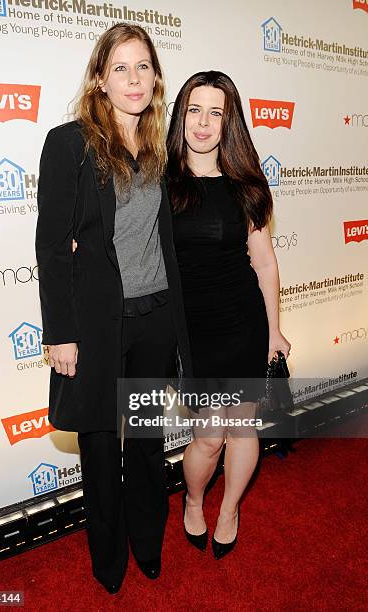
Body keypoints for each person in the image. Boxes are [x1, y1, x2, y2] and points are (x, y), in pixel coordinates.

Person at [35, 23, 191, 594]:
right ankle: (109, 560)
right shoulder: (69, 144)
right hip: (97, 327)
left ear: (155, 76)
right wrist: (61, 334)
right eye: (120, 68)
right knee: (101, 451)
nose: (133, 78)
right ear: (101, 79)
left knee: (148, 443)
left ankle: (148, 543)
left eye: (143, 67)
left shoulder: (160, 150)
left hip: (153, 318)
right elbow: (52, 246)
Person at [166, 71, 291, 559]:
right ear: (181, 115)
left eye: (215, 112)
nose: (203, 122)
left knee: (243, 430)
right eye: (194, 109)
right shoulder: (161, 182)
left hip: (242, 323)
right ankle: (194, 499)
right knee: (208, 437)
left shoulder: (245, 185)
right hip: (193, 333)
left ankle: (231, 508)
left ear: (228, 121)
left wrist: (274, 330)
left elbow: (263, 262)